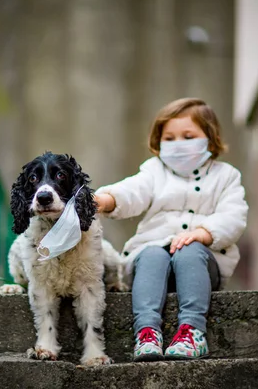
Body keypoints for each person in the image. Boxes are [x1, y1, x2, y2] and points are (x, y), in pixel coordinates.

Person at [94, 98, 248, 361]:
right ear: (159, 141)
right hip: (151, 266)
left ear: (209, 139)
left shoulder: (227, 176)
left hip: (200, 264)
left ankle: (192, 332)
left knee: (190, 250)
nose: (178, 144)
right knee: (153, 253)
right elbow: (133, 190)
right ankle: (147, 333)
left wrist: (203, 233)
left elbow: (234, 215)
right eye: (170, 138)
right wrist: (105, 200)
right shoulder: (155, 171)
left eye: (188, 136)